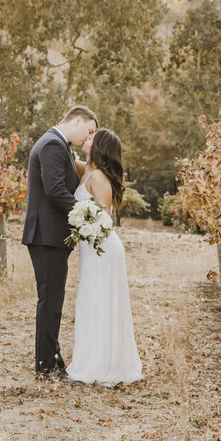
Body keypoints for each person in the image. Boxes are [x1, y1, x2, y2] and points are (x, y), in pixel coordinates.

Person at [22, 106, 97, 381]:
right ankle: (45, 367)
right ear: (77, 121)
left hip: (50, 236)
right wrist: (86, 214)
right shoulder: (53, 144)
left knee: (53, 301)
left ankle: (53, 362)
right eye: (88, 131)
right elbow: (55, 189)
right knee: (50, 302)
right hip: (47, 236)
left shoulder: (56, 143)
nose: (87, 138)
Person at [66, 128, 143, 386]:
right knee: (89, 300)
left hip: (102, 248)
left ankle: (99, 366)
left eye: (91, 138)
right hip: (92, 248)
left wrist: (81, 226)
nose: (86, 139)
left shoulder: (98, 177)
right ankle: (93, 359)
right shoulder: (89, 170)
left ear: (98, 147)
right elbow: (68, 158)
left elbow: (103, 218)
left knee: (97, 302)